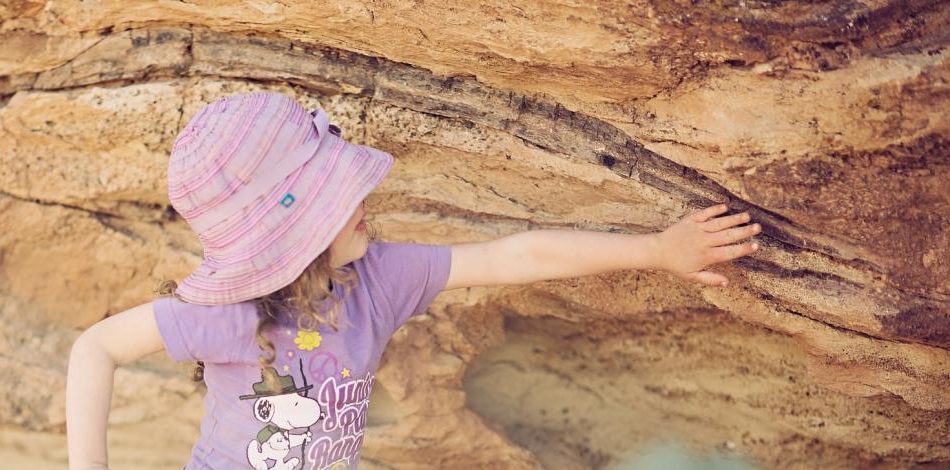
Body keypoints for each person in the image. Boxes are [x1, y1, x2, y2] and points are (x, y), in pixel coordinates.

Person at [66, 91, 761, 470]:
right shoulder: (231, 314)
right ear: (292, 234)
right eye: (337, 197)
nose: (363, 198)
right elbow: (94, 348)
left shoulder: (380, 278)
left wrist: (658, 250)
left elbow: (514, 258)